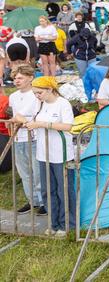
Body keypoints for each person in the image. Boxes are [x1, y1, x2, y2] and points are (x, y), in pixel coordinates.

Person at [24, 76, 75, 236]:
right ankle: (53, 223)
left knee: (64, 190)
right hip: (43, 153)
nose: (36, 96)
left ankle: (67, 224)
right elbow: (28, 117)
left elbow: (68, 126)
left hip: (61, 154)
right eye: (34, 93)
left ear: (50, 89)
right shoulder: (39, 103)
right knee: (47, 190)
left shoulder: (63, 104)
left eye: (39, 92)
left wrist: (42, 124)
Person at [8, 65, 45, 215]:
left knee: (37, 172)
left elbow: (23, 115)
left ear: (30, 78)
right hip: (18, 137)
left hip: (33, 136)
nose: (17, 80)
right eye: (15, 78)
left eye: (20, 77)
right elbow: (16, 115)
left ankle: (43, 201)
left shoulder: (35, 94)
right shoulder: (13, 96)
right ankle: (32, 200)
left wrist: (18, 119)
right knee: (24, 172)